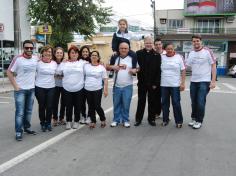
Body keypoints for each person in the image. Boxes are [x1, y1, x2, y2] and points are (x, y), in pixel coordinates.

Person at [7, 40, 38, 141]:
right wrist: (15, 86)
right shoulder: (18, 59)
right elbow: (9, 72)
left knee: (28, 111)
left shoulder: (35, 58)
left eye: (31, 48)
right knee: (20, 112)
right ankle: (18, 131)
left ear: (33, 49)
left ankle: (27, 128)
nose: (29, 50)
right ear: (23, 48)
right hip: (20, 90)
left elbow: (45, 62)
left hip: (32, 89)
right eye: (26, 48)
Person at [186, 34, 216, 129]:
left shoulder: (207, 51)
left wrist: (213, 81)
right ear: (192, 42)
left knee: (200, 101)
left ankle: (199, 120)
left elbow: (213, 65)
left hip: (204, 81)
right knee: (193, 101)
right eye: (194, 41)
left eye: (197, 41)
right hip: (193, 81)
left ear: (201, 41)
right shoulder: (191, 53)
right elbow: (187, 65)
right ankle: (194, 118)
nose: (196, 43)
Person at [107, 42, 138, 128]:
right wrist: (113, 67)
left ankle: (125, 120)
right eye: (122, 48)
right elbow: (107, 66)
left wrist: (135, 71)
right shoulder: (115, 57)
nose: (123, 50)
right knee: (116, 103)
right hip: (116, 85)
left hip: (128, 86)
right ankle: (116, 120)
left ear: (128, 49)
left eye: (125, 48)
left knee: (126, 104)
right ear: (119, 49)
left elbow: (138, 67)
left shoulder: (132, 58)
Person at [57, 46, 86, 130]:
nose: (74, 54)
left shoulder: (82, 63)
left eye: (76, 53)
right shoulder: (64, 63)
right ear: (69, 54)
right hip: (67, 88)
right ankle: (68, 121)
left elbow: (92, 64)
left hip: (79, 88)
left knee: (77, 106)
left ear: (78, 54)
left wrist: (101, 62)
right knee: (68, 106)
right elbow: (58, 72)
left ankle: (76, 121)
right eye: (72, 52)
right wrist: (62, 62)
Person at [134, 36, 161, 127]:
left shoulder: (157, 55)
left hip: (153, 84)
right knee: (141, 101)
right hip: (142, 83)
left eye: (150, 43)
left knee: (152, 102)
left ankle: (151, 119)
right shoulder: (138, 53)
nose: (148, 44)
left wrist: (156, 83)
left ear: (152, 44)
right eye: (147, 43)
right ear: (144, 43)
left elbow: (158, 71)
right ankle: (138, 119)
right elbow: (135, 66)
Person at [160, 43, 186, 128]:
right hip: (164, 84)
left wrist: (182, 83)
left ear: (173, 49)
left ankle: (179, 121)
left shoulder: (179, 57)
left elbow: (183, 70)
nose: (170, 50)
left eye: (171, 48)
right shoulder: (161, 57)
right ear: (165, 49)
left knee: (176, 103)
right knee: (164, 103)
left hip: (175, 85)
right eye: (168, 49)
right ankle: (165, 119)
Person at [35, 45, 57, 132]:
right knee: (42, 106)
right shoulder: (37, 63)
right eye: (46, 51)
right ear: (43, 52)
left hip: (51, 87)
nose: (48, 53)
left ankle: (48, 123)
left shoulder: (54, 63)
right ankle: (42, 123)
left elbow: (60, 70)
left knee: (49, 106)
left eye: (50, 52)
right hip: (39, 87)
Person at [84, 51, 108, 128]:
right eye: (92, 55)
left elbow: (105, 79)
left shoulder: (101, 67)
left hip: (97, 89)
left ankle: (103, 119)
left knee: (97, 106)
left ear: (98, 57)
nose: (94, 56)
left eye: (95, 55)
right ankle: (93, 121)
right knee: (90, 106)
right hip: (87, 89)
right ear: (90, 57)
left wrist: (105, 90)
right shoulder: (86, 66)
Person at [52, 47, 66, 126]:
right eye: (57, 53)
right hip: (54, 85)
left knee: (63, 102)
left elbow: (65, 74)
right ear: (55, 54)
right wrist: (59, 75)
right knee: (55, 102)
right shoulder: (52, 62)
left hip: (64, 85)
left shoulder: (65, 62)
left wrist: (57, 75)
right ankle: (54, 118)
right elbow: (53, 74)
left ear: (63, 54)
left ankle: (61, 118)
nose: (59, 54)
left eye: (61, 53)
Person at [154, 37, 166, 119]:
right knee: (157, 98)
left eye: (159, 44)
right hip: (156, 80)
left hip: (166, 79)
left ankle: (166, 114)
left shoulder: (167, 53)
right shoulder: (153, 54)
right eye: (156, 45)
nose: (158, 46)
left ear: (162, 45)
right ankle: (157, 113)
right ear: (154, 46)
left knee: (165, 98)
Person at [79, 46, 91, 124]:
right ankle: (83, 116)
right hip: (80, 85)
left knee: (90, 102)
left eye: (86, 51)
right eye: (83, 51)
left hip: (89, 85)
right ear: (81, 53)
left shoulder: (92, 61)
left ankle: (89, 116)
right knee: (81, 102)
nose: (85, 53)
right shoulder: (78, 61)